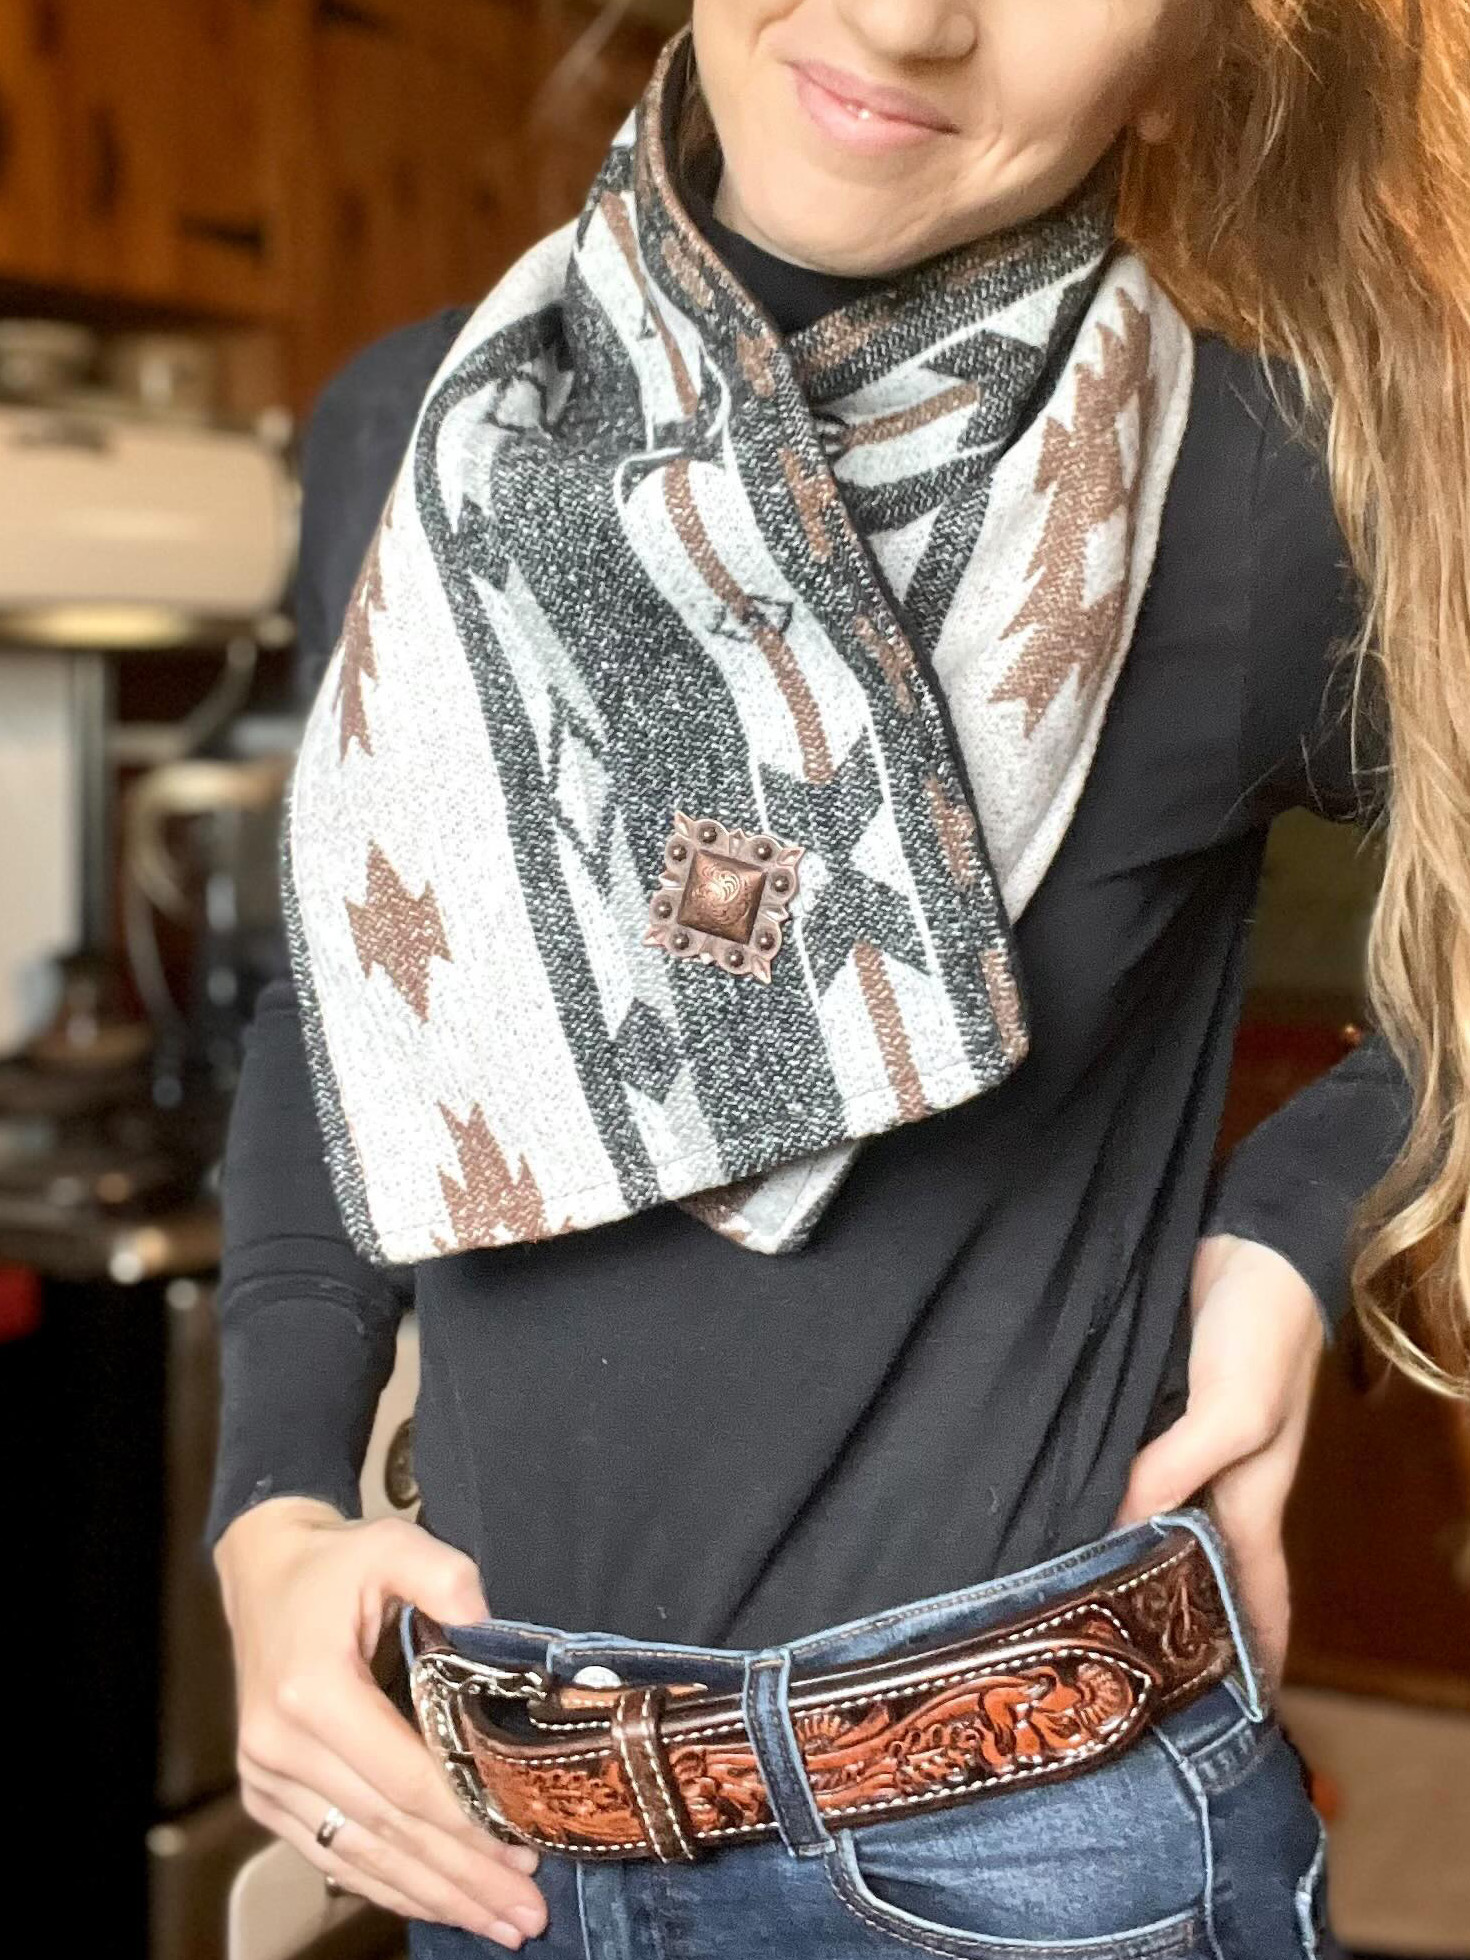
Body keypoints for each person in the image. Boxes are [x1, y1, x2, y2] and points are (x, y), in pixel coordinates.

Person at [208, 3, 1470, 1955]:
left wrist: (1292, 1245)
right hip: (497, 1849)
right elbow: (356, 992)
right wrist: (276, 1497)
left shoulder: (1255, 486)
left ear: (1181, 57)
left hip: (1025, 1858)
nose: (906, 20)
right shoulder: (415, 429)